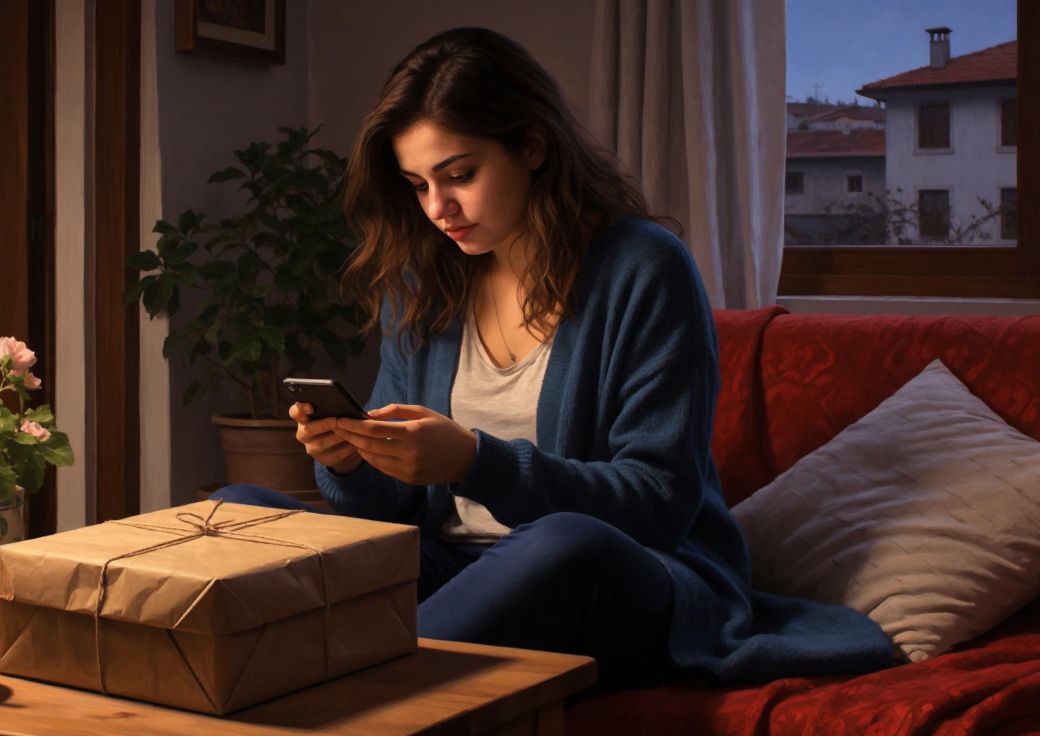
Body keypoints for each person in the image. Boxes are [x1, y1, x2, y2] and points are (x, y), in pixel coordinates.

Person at [213, 27, 897, 687]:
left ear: (533, 146)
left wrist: (475, 462)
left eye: (460, 175)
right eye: (418, 184)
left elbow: (657, 504)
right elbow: (396, 517)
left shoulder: (643, 270)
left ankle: (363, 688)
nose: (438, 207)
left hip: (624, 575)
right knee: (238, 512)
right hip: (457, 569)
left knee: (562, 542)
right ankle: (378, 670)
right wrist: (351, 460)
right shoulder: (425, 282)